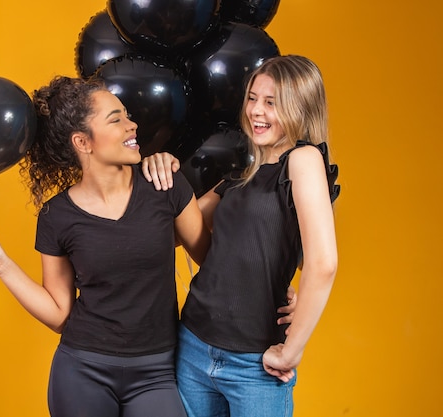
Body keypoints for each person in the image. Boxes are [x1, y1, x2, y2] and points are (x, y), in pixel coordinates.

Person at [0, 76, 212, 417]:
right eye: (117, 119)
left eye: (127, 115)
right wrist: (3, 264)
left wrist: (273, 289)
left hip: (156, 372)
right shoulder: (57, 216)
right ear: (83, 142)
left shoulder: (165, 185)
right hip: (83, 369)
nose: (133, 125)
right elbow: (58, 315)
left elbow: (213, 262)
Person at [142, 54, 340, 417]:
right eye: (252, 98)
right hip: (193, 344)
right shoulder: (240, 176)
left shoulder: (303, 159)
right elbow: (173, 231)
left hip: (254, 364)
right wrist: (161, 164)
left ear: (301, 106)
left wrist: (291, 350)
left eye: (272, 102)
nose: (256, 111)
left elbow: (323, 263)